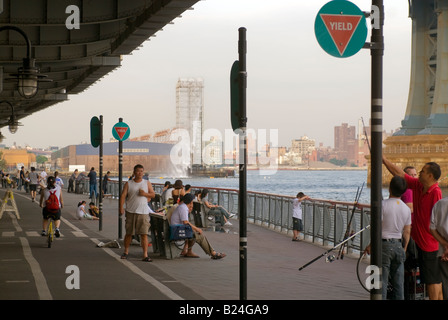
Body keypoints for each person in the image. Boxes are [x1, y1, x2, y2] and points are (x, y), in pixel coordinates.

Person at [382, 155, 443, 300]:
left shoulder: (436, 192)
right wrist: (383, 160)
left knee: (432, 282)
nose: (419, 173)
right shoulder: (418, 185)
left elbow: (440, 221)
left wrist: (444, 245)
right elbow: (399, 173)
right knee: (432, 279)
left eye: (422, 171)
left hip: (430, 245)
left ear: (430, 175)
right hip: (420, 243)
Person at [365, 176, 412, 300]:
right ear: (403, 191)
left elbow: (377, 228)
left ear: (389, 188)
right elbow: (407, 232)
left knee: (381, 283)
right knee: (398, 284)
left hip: (383, 245)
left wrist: (370, 245)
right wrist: (404, 248)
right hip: (398, 245)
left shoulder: (382, 205)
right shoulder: (406, 209)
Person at [170, 193, 226, 259]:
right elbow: (186, 222)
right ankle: (213, 253)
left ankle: (189, 251)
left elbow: (185, 223)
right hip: (177, 231)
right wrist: (197, 229)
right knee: (199, 235)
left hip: (176, 229)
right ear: (191, 202)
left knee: (193, 232)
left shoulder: (182, 206)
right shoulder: (183, 208)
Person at [119, 164, 155, 262]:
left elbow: (153, 194)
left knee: (144, 234)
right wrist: (121, 208)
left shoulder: (147, 183)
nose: (140, 173)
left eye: (141, 171)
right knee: (129, 233)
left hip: (143, 212)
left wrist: (145, 194)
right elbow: (123, 196)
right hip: (131, 211)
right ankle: (126, 251)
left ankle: (145, 254)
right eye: (138, 171)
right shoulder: (129, 183)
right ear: (134, 172)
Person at [430, 198, 448, 300]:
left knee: (445, 285)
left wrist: (445, 244)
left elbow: (432, 228)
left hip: (443, 253)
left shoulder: (439, 203)